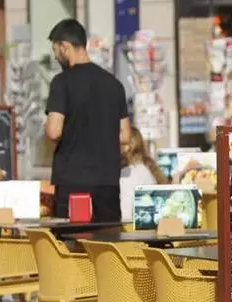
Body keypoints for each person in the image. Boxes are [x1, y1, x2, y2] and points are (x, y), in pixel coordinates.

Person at [45, 19, 130, 222]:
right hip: (107, 183)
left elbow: (54, 131)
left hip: (73, 182)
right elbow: (125, 135)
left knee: (73, 239)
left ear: (65, 46)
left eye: (55, 50)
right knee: (107, 238)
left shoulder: (61, 83)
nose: (55, 56)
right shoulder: (114, 84)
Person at [120, 126, 166, 221]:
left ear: (127, 146)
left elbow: (126, 214)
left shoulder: (128, 173)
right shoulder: (149, 167)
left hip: (133, 227)